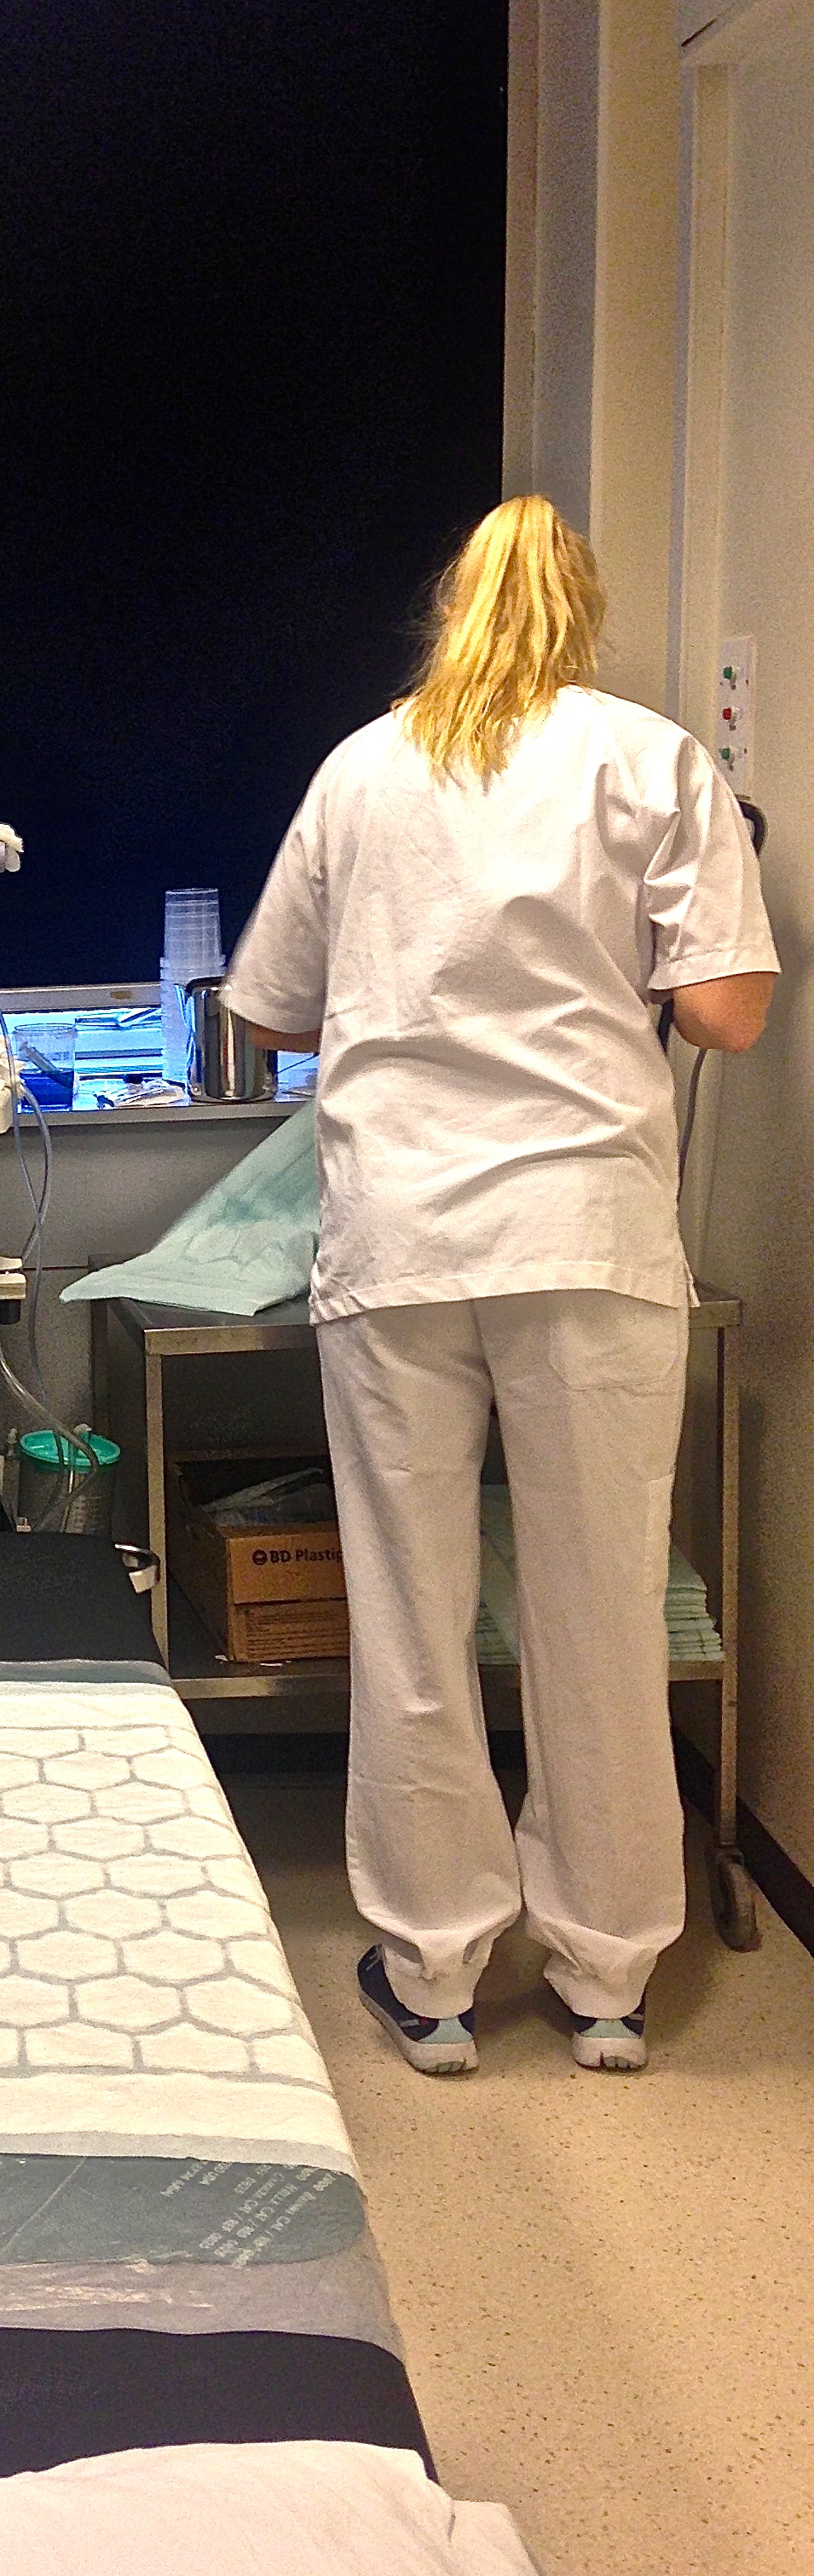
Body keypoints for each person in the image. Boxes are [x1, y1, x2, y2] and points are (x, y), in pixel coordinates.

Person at [222, 496, 776, 2077]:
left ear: (450, 608)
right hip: (585, 1235)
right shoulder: (653, 761)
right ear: (580, 613)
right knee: (599, 1610)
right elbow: (729, 1016)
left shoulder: (362, 768)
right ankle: (605, 1982)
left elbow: (269, 1010)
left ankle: (437, 1976)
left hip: (401, 1238)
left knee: (411, 1615)